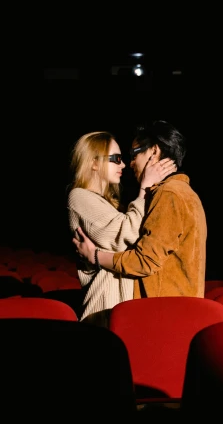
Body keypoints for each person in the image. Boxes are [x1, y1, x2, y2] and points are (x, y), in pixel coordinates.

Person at [73, 120, 207, 305]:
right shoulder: (182, 192)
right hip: (171, 309)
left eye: (133, 154)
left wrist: (95, 256)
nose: (130, 163)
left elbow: (144, 260)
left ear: (154, 151)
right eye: (117, 159)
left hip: (163, 311)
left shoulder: (168, 193)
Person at [67, 131, 176, 324]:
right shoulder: (79, 196)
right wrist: (144, 188)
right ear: (94, 162)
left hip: (125, 304)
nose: (123, 165)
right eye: (116, 159)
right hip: (105, 306)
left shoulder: (111, 204)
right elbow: (127, 233)